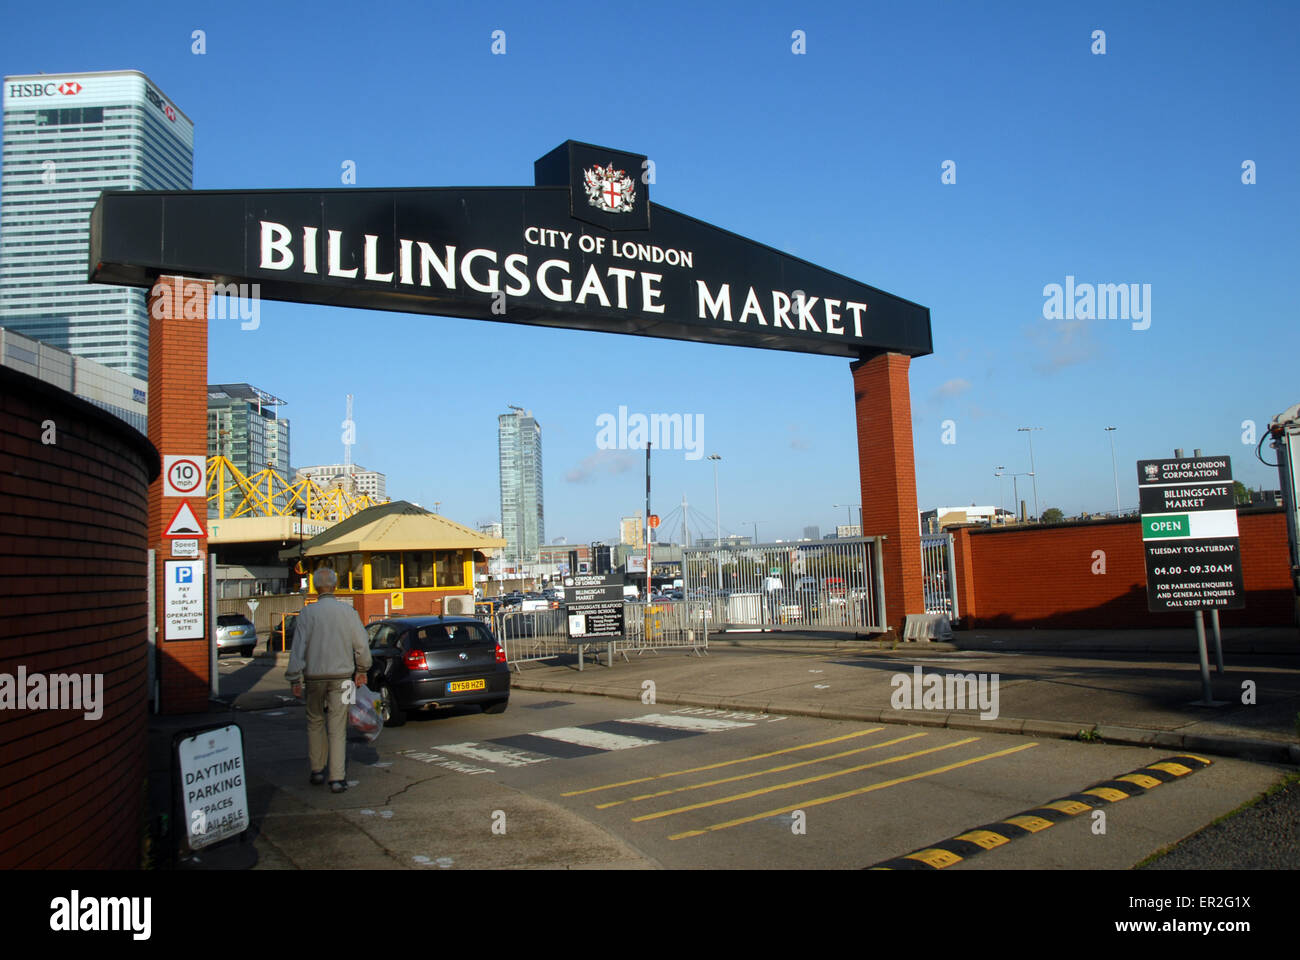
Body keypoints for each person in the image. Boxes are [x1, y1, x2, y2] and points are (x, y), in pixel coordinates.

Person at [285, 566, 372, 793]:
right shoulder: (348, 613)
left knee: (315, 721)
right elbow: (361, 645)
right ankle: (337, 777)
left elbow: (298, 648)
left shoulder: (307, 614)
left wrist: (295, 678)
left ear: (314, 587)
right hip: (342, 677)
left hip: (313, 677)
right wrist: (361, 669)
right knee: (337, 725)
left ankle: (317, 770)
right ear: (335, 586)